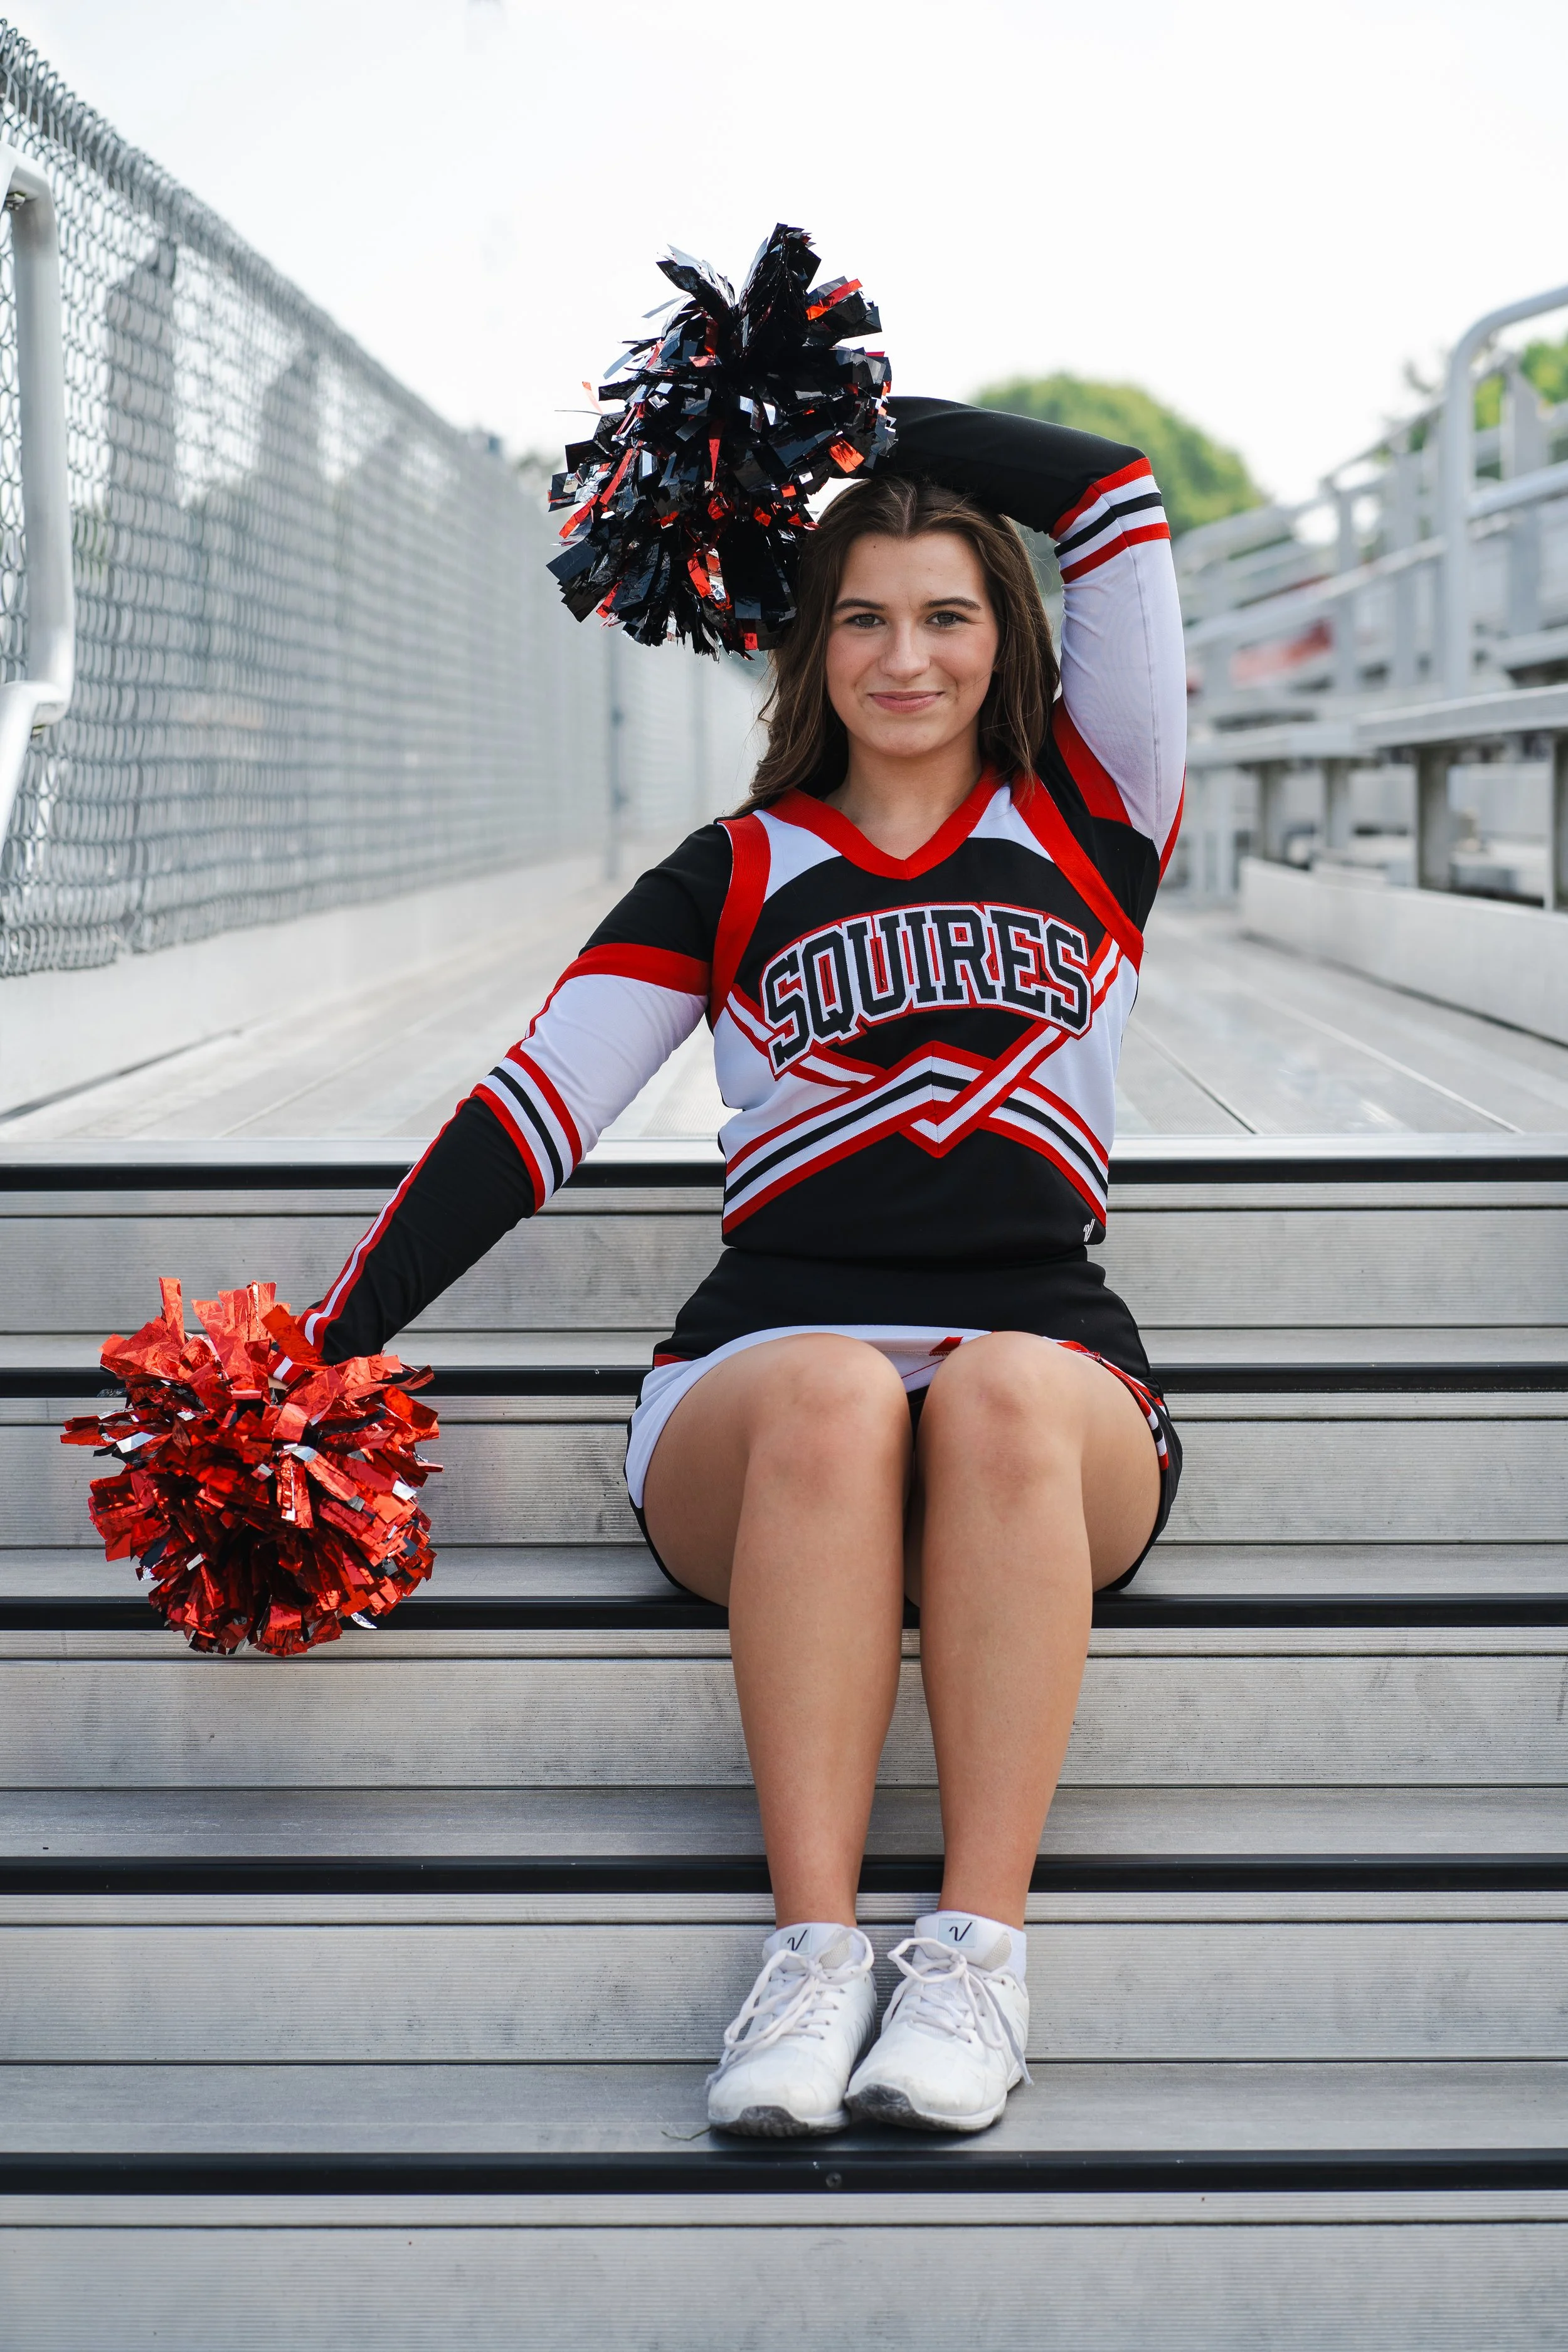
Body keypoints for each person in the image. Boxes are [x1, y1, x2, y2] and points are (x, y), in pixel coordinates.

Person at [305, 398, 1187, 2139]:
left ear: (1007, 635)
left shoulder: (1095, 818)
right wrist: (323, 1350)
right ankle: (809, 1957)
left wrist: (831, 410)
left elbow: (1107, 493)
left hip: (1052, 1390)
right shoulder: (730, 870)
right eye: (859, 613)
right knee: (838, 1388)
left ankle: (974, 1960)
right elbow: (526, 1113)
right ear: (808, 643)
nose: (905, 654)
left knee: (1000, 1384)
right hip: (763, 1394)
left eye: (947, 611)